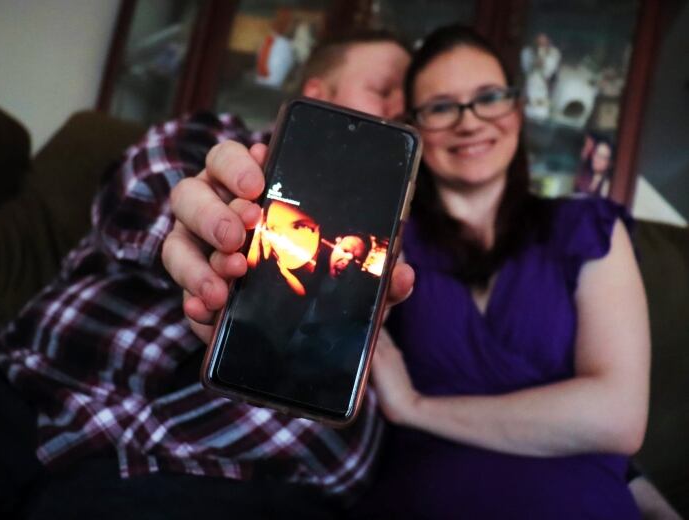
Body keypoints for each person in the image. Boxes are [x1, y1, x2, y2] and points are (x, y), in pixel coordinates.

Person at [0, 31, 411, 520]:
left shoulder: (384, 242)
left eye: (409, 103)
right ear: (318, 93)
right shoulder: (208, 138)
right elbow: (135, 198)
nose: (400, 110)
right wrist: (208, 236)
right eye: (384, 90)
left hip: (202, 466)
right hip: (36, 387)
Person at [169, 26, 656, 520]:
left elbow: (617, 417)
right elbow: (303, 338)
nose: (470, 122)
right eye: (442, 107)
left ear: (517, 107)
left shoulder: (587, 227)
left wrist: (418, 408)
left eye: (489, 97)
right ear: (414, 125)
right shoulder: (383, 242)